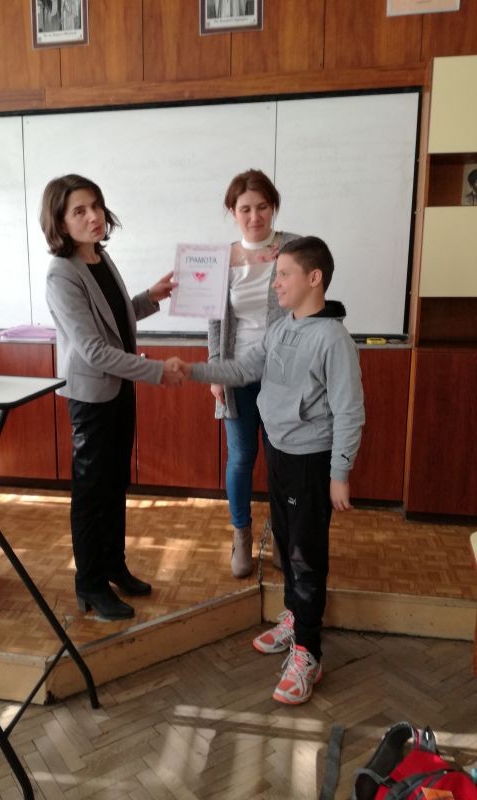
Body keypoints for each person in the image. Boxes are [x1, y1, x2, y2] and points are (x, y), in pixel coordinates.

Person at [182, 236, 365, 704]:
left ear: (314, 278)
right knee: (285, 539)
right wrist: (194, 372)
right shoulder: (282, 327)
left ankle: (309, 651)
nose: (275, 283)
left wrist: (339, 472)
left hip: (311, 460)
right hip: (280, 451)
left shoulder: (333, 339)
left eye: (283, 274)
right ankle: (295, 618)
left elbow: (349, 412)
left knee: (306, 554)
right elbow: (244, 368)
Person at [41, 174, 184, 622]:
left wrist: (150, 297)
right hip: (91, 396)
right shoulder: (62, 273)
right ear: (60, 222)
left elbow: (115, 320)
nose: (93, 216)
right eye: (79, 211)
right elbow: (95, 350)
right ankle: (89, 583)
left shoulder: (99, 257)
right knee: (91, 492)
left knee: (115, 482)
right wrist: (157, 372)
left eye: (96, 206)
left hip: (119, 389)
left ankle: (113, 565)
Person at [209, 169, 298, 578]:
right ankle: (241, 536)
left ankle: (282, 534)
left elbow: (311, 302)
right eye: (245, 208)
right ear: (233, 211)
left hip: (284, 373)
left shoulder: (295, 248)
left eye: (262, 207)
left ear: (273, 207)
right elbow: (214, 321)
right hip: (238, 372)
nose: (255, 216)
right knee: (242, 456)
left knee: (282, 458)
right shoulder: (220, 258)